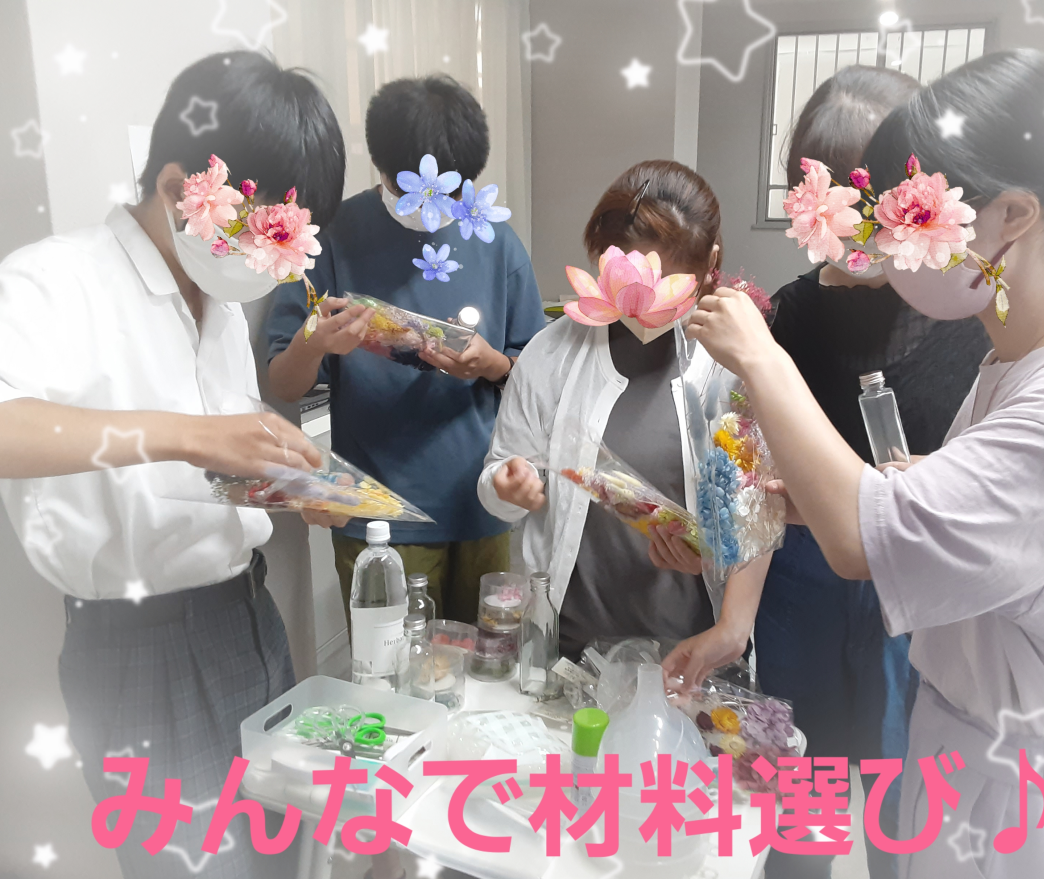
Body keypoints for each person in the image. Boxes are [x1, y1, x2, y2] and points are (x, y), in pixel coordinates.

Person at [690, 49, 1044, 878]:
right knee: (804, 790)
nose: (875, 240)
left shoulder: (988, 346)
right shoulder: (1002, 359)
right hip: (835, 607)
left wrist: (760, 357)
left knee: (889, 803)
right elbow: (801, 478)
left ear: (1012, 215)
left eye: (901, 214)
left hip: (961, 694)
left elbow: (869, 530)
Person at [0, 51, 347, 878]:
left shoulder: (217, 305)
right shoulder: (52, 281)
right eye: (260, 237)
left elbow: (211, 464)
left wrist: (292, 480)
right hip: (138, 647)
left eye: (283, 245)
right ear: (173, 188)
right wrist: (192, 435)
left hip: (249, 619)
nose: (268, 266)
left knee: (281, 853)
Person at [749, 66, 990, 879]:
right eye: (823, 200)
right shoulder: (787, 314)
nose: (849, 227)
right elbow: (761, 461)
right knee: (803, 791)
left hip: (914, 591)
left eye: (866, 200)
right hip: (803, 586)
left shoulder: (968, 317)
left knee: (905, 796)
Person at [267, 74, 546, 625]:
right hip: (375, 516)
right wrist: (314, 342)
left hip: (481, 505)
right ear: (379, 163)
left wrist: (493, 364)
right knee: (390, 671)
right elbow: (284, 383)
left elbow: (538, 378)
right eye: (415, 188)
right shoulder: (332, 238)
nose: (431, 206)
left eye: (450, 191)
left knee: (486, 662)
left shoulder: (493, 241)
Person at [478, 160, 772, 669]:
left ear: (709, 263)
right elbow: (498, 482)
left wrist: (715, 558)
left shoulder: (732, 365)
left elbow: (758, 510)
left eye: (664, 284)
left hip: (691, 650)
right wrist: (507, 486)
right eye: (624, 279)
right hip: (569, 646)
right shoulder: (551, 355)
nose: (640, 304)